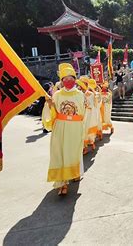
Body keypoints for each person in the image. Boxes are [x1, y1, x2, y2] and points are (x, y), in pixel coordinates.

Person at [46, 63, 85, 195]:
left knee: (73, 152)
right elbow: (54, 112)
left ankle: (74, 173)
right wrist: (50, 105)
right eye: (65, 79)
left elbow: (83, 114)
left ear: (75, 79)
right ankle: (62, 183)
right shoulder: (57, 95)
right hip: (60, 128)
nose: (68, 81)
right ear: (62, 81)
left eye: (71, 78)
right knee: (60, 153)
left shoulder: (80, 94)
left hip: (74, 128)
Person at [77, 76, 96, 155]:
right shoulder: (78, 93)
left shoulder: (90, 94)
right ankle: (85, 146)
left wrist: (86, 106)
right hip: (80, 115)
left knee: (86, 130)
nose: (80, 86)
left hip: (88, 114)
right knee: (82, 131)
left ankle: (88, 144)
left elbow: (91, 105)